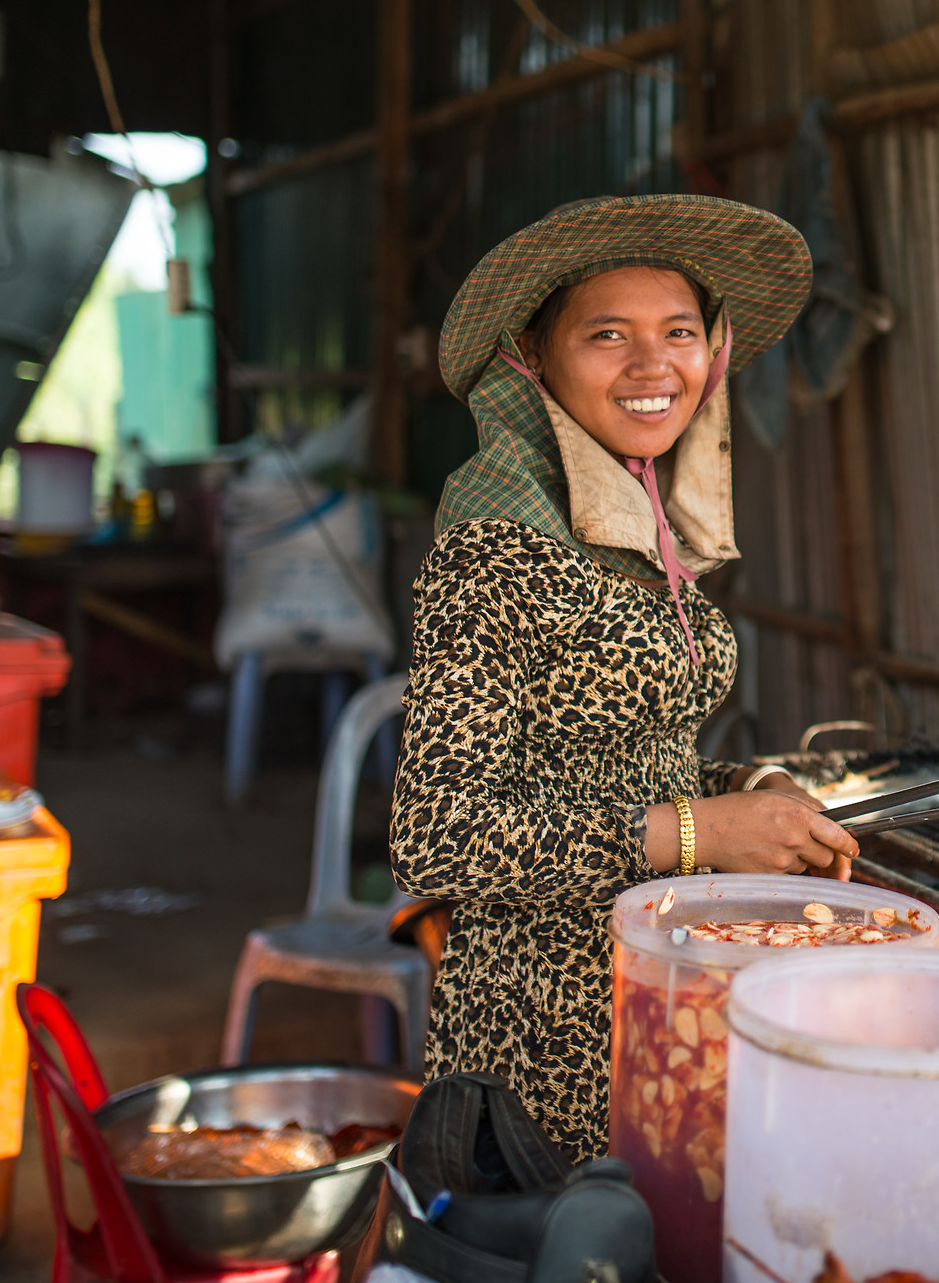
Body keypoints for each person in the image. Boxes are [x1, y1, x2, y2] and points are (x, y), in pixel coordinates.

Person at [390, 193, 857, 1162]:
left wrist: (746, 790)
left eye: (679, 331)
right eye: (609, 334)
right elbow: (438, 836)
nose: (655, 365)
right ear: (535, 358)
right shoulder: (499, 546)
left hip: (657, 986)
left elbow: (613, 761)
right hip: (544, 1027)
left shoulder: (630, 533)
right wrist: (698, 831)